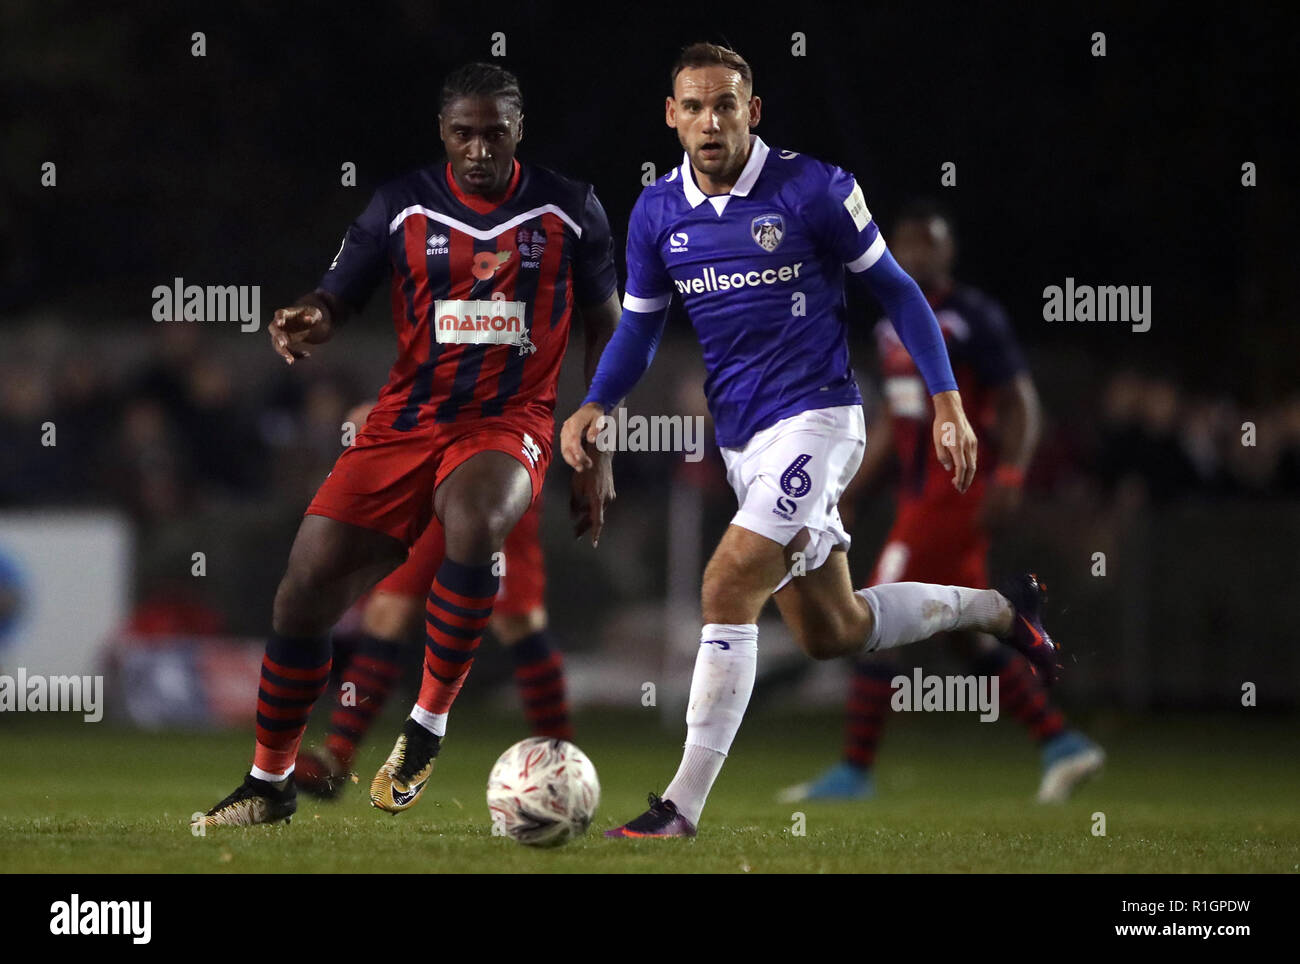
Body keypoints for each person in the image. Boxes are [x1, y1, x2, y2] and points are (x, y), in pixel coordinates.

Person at [561, 43, 1060, 839]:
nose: (710, 121)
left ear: (752, 111)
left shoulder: (815, 188)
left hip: (821, 421)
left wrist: (947, 401)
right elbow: (642, 329)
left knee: (727, 586)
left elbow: (896, 289)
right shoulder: (658, 211)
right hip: (744, 445)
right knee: (835, 632)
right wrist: (597, 401)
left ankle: (678, 808)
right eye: (693, 107)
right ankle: (1001, 609)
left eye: (726, 105)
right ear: (672, 117)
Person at [198, 62, 618, 828]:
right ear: (443, 134)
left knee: (480, 517)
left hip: (508, 422)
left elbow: (606, 324)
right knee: (303, 590)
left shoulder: (570, 207)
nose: (481, 149)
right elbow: (338, 296)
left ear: (519, 129)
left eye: (496, 132)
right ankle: (270, 782)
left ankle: (424, 728)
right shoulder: (399, 206)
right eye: (465, 134)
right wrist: (307, 319)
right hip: (404, 422)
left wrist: (597, 439)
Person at [780, 203, 1103, 805]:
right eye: (906, 243)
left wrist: (1009, 476)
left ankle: (853, 770)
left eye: (930, 243)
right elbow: (893, 421)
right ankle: (1062, 742)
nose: (916, 253)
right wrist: (848, 495)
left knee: (870, 613)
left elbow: (1020, 402)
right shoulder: (887, 325)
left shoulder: (971, 316)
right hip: (916, 499)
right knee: (965, 636)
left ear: (949, 252)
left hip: (955, 496)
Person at [293, 408, 573, 799]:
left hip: (500, 460)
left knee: (518, 620)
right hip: (432, 461)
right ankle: (337, 756)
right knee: (388, 611)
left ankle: (561, 763)